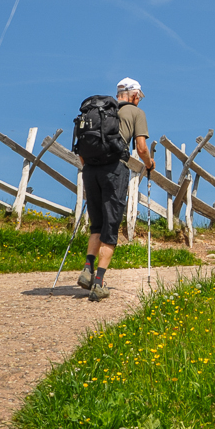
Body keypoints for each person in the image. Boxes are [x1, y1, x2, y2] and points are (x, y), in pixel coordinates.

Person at [77, 77, 155, 302]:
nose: (139, 100)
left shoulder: (97, 110)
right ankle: (99, 283)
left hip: (90, 170)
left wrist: (92, 167)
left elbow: (81, 147)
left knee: (97, 225)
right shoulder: (136, 113)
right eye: (139, 97)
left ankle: (87, 270)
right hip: (115, 170)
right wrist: (149, 164)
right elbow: (140, 148)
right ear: (134, 95)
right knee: (111, 226)